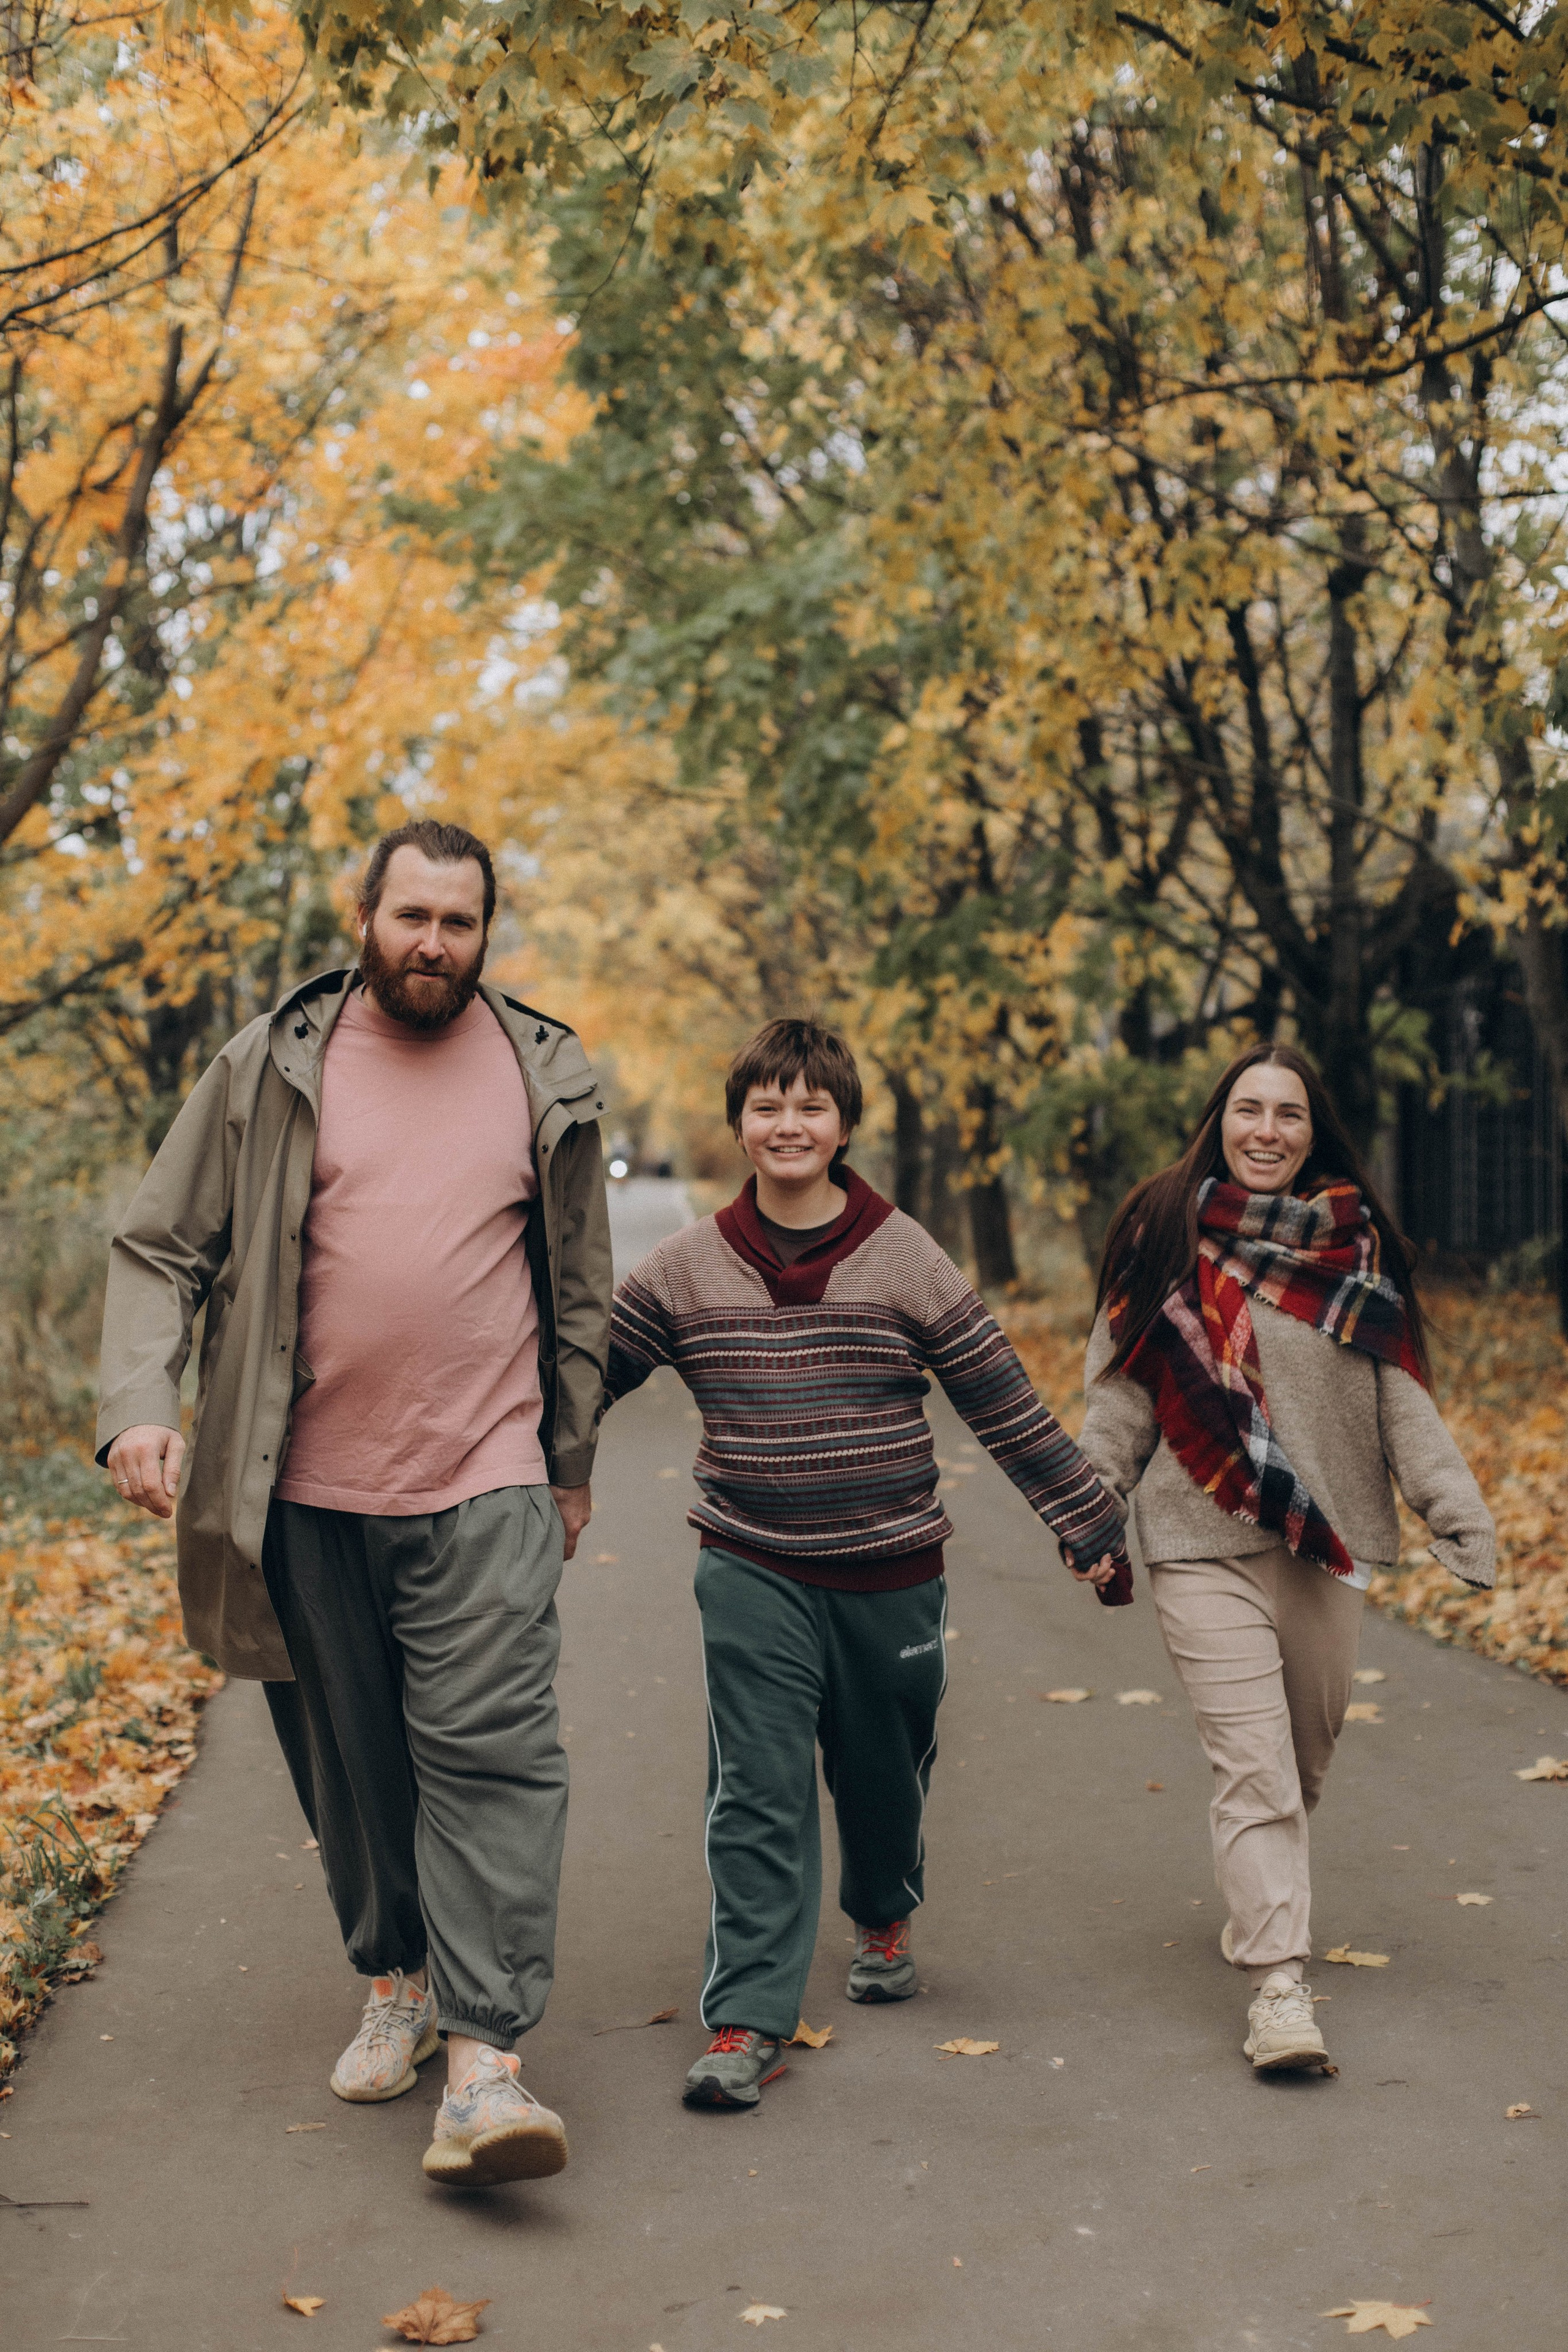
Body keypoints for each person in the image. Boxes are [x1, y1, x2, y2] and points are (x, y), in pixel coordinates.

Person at [96, 819, 613, 2186]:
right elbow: (159, 1245)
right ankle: (396, 1971)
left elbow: (579, 1287)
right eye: (411, 916)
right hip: (304, 1488)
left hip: (488, 1472)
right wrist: (138, 1402)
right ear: (364, 915)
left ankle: (487, 2064)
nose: (433, 942)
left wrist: (567, 1461)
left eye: (459, 920)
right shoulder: (272, 1063)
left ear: (486, 930)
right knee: (352, 1759)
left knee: (495, 1754)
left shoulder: (541, 1070)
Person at [601, 1018, 1131, 2111]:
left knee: (884, 1774)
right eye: (767, 1105)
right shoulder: (688, 1266)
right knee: (755, 1787)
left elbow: (1000, 1398)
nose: (787, 1124)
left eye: (810, 1106)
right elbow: (579, 1379)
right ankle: (749, 2016)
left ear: (843, 1125)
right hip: (748, 1560)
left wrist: (1086, 1516)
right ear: (739, 1122)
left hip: (893, 1568)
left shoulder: (904, 1255)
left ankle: (883, 1910)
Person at [1077, 1046, 1493, 2075]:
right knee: (1253, 1765)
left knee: (1301, 1761)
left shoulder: (1354, 1248)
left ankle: (1262, 1900)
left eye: (1289, 1115)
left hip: (1325, 1543)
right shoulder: (1162, 1234)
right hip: (1197, 1536)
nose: (1267, 1130)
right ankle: (1278, 1989)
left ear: (1315, 1132)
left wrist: (1455, 1508)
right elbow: (1120, 1393)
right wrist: (1088, 1509)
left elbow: (1401, 1394)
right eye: (1249, 1109)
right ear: (1220, 1118)